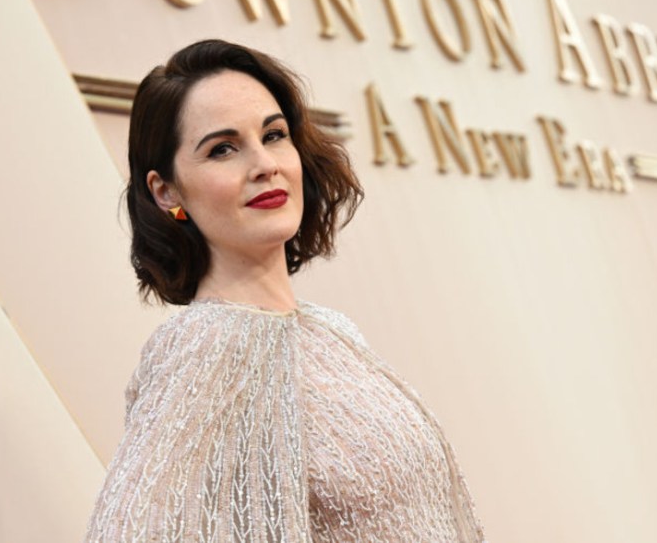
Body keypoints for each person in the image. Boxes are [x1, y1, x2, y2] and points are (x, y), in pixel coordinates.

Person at [82, 39, 489, 542]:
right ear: (167, 191)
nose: (263, 164)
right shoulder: (203, 347)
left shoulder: (332, 330)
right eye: (222, 149)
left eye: (273, 135)